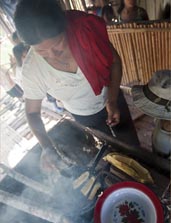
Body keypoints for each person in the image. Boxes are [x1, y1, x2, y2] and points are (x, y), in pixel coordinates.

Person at [14, 0, 139, 172]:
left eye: (58, 46)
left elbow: (115, 62)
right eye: (41, 52)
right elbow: (32, 112)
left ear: (65, 28)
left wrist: (111, 100)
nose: (52, 56)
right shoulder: (32, 71)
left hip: (113, 97)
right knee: (109, 155)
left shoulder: (85, 32)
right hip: (84, 116)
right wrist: (48, 148)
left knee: (132, 146)